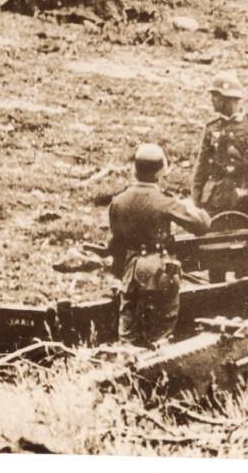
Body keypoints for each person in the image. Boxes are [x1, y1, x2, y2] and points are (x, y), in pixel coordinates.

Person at [107, 144, 210, 348]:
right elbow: (202, 225)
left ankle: (126, 361)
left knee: (128, 333)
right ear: (160, 172)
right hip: (158, 271)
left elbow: (116, 244)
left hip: (131, 270)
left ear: (135, 170)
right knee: (160, 334)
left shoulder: (118, 201)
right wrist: (190, 205)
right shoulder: (164, 201)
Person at [191, 72, 248, 229]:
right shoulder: (211, 128)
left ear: (228, 99)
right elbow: (201, 168)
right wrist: (196, 201)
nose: (212, 100)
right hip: (217, 199)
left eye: (216, 96)